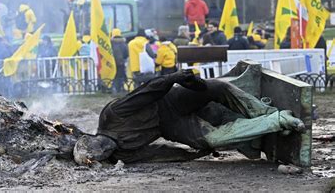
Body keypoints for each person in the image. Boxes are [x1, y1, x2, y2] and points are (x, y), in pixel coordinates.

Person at [73, 71, 305, 165]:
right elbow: (158, 155)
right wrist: (194, 153)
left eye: (98, 146)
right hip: (171, 126)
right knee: (213, 139)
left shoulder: (111, 114)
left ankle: (263, 112)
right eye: (101, 154)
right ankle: (277, 121)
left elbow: (148, 91)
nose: (104, 149)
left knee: (216, 87)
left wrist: (176, 77)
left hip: (168, 101)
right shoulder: (119, 155)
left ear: (93, 137)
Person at [111, 28, 128, 93]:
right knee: (121, 76)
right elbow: (126, 53)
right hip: (121, 62)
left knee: (114, 76)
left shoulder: (111, 43)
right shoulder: (123, 43)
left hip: (113, 63)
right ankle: (120, 88)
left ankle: (113, 88)